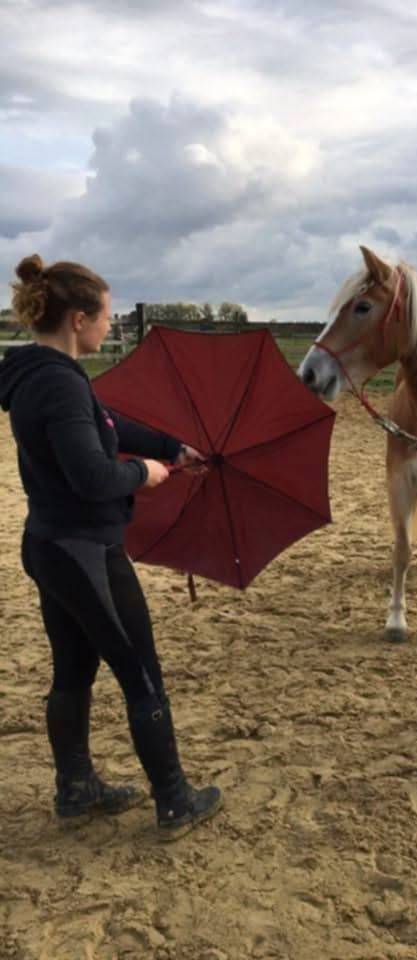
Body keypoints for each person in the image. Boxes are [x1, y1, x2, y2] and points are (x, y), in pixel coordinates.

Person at [0, 254, 222, 839]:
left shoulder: (42, 376)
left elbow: (106, 422)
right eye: (108, 314)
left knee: (72, 671)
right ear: (78, 319)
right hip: (84, 553)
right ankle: (175, 800)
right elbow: (95, 476)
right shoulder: (59, 385)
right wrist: (144, 473)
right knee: (141, 674)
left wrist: (170, 446)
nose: (112, 323)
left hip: (51, 545)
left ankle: (76, 788)